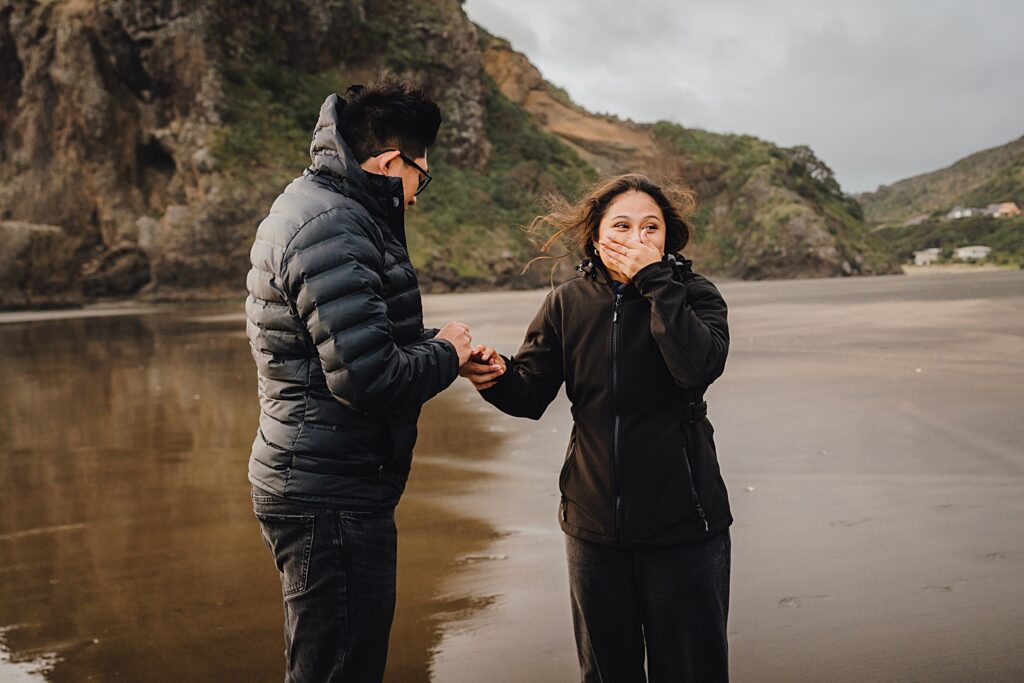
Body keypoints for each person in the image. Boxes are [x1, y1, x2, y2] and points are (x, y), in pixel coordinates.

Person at [244, 76, 476, 682]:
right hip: (330, 493)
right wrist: (448, 353)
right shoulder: (334, 226)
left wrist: (432, 346)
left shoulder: (320, 209)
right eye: (421, 177)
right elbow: (369, 379)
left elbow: (350, 346)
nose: (418, 195)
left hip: (320, 476)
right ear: (392, 160)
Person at [462, 174, 733, 682]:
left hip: (685, 524)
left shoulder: (696, 297)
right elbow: (530, 393)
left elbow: (696, 370)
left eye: (651, 228)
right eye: (623, 225)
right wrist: (493, 375)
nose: (638, 238)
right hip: (592, 528)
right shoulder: (568, 303)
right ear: (596, 236)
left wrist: (655, 282)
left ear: (667, 238)